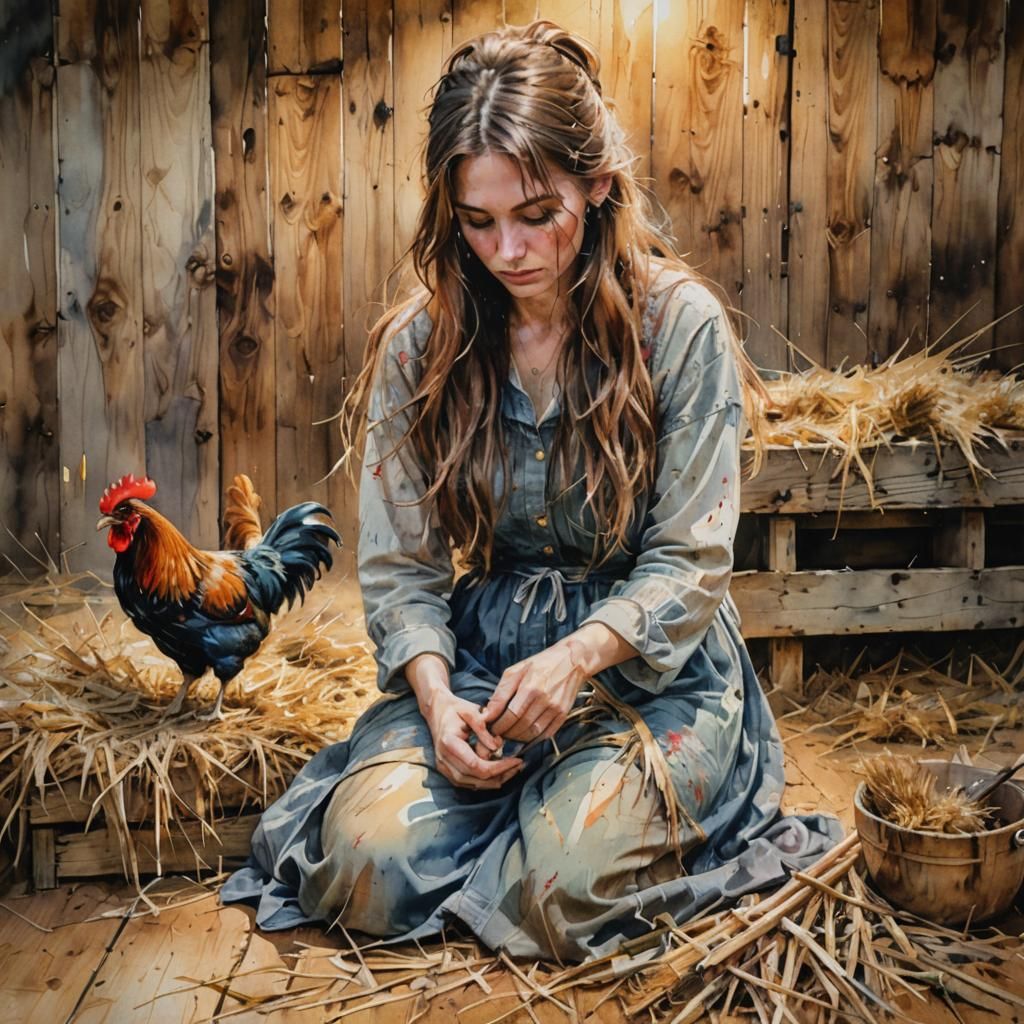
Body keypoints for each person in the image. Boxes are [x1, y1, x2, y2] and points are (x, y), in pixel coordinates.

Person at [222, 19, 840, 962]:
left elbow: (691, 560)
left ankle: (549, 835)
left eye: (537, 213)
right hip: (485, 666)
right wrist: (437, 703)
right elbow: (401, 570)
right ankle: (508, 831)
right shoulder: (420, 348)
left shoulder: (678, 328)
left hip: (650, 676)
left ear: (598, 186)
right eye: (478, 222)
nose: (507, 249)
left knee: (565, 883)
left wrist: (577, 659)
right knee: (365, 863)